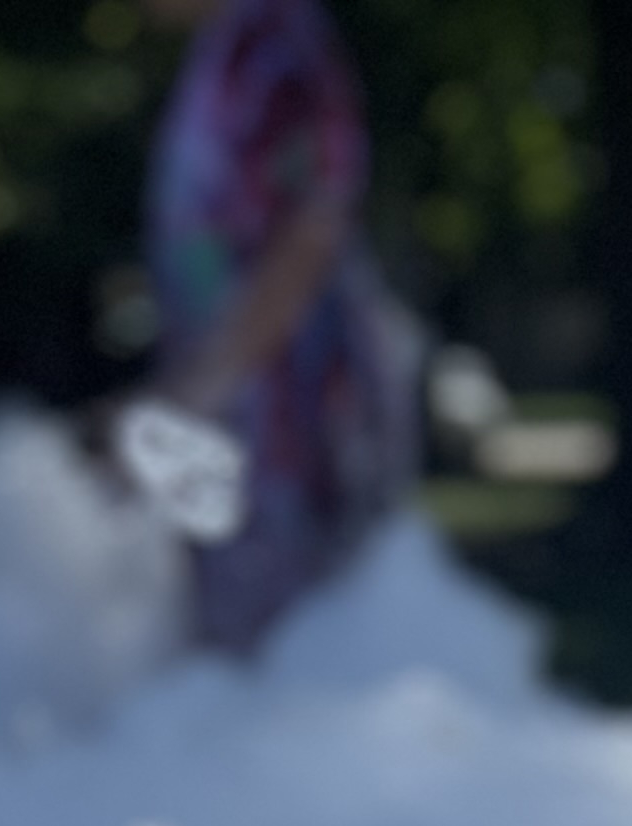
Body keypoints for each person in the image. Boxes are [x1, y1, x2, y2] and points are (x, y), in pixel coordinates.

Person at [137, 0, 420, 654]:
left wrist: (206, 382)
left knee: (289, 675)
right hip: (239, 425)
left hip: (293, 432)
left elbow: (313, 227)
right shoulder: (232, 43)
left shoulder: (276, 41)